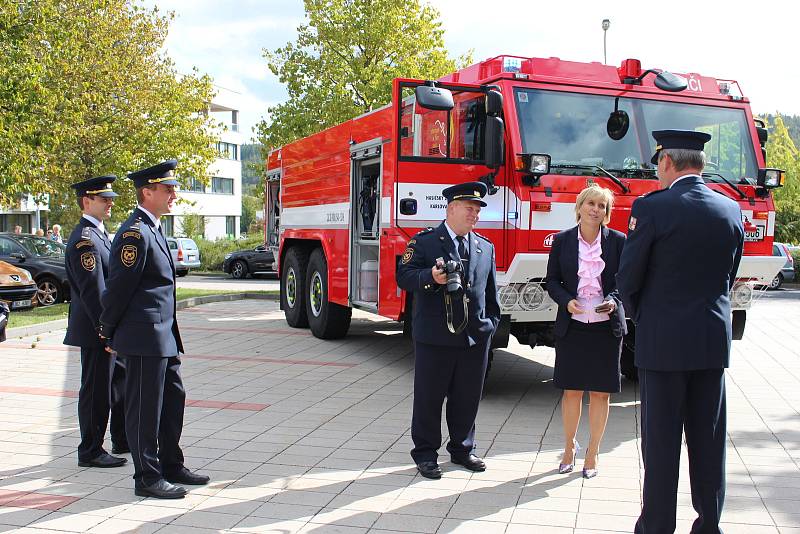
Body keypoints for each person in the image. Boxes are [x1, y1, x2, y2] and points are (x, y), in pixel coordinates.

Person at [617, 130, 744, 534]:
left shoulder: (653, 208)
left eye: (658, 164)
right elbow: (728, 274)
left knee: (661, 444)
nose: (656, 171)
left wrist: (645, 319)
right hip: (710, 342)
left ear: (668, 162)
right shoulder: (729, 209)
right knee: (708, 443)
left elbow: (628, 279)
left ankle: (656, 527)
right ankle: (709, 525)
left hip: (663, 345)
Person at [99, 160, 209, 499]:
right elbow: (118, 288)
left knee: (173, 400)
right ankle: (146, 477)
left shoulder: (153, 228)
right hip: (143, 335)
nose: (174, 193)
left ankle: (171, 464)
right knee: (145, 408)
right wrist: (107, 330)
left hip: (163, 335)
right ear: (147, 192)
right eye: (167, 188)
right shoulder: (135, 232)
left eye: (173, 187)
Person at [396, 181, 501, 479]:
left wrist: (490, 325)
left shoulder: (484, 246)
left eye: (478, 210)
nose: (475, 215)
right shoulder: (425, 242)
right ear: (452, 208)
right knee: (429, 398)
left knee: (467, 397)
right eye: (470, 208)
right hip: (435, 337)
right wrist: (431, 276)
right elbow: (403, 276)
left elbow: (490, 293)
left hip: (474, 338)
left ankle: (463, 449)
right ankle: (426, 454)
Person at [545, 185, 627, 479]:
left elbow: (626, 281)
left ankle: (592, 454)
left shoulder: (619, 241)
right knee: (572, 392)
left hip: (606, 329)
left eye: (602, 206)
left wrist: (613, 301)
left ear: (607, 212)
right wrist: (566, 302)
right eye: (590, 203)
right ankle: (569, 448)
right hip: (573, 327)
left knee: (601, 394)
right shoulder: (562, 241)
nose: (596, 209)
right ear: (579, 207)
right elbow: (551, 280)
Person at [63, 176, 128, 469]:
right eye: (104, 199)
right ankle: (90, 449)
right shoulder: (85, 239)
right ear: (86, 201)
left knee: (113, 386)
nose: (110, 203)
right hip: (95, 330)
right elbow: (93, 290)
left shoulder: (99, 234)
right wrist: (106, 331)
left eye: (110, 198)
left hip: (103, 327)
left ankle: (119, 438)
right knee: (95, 391)